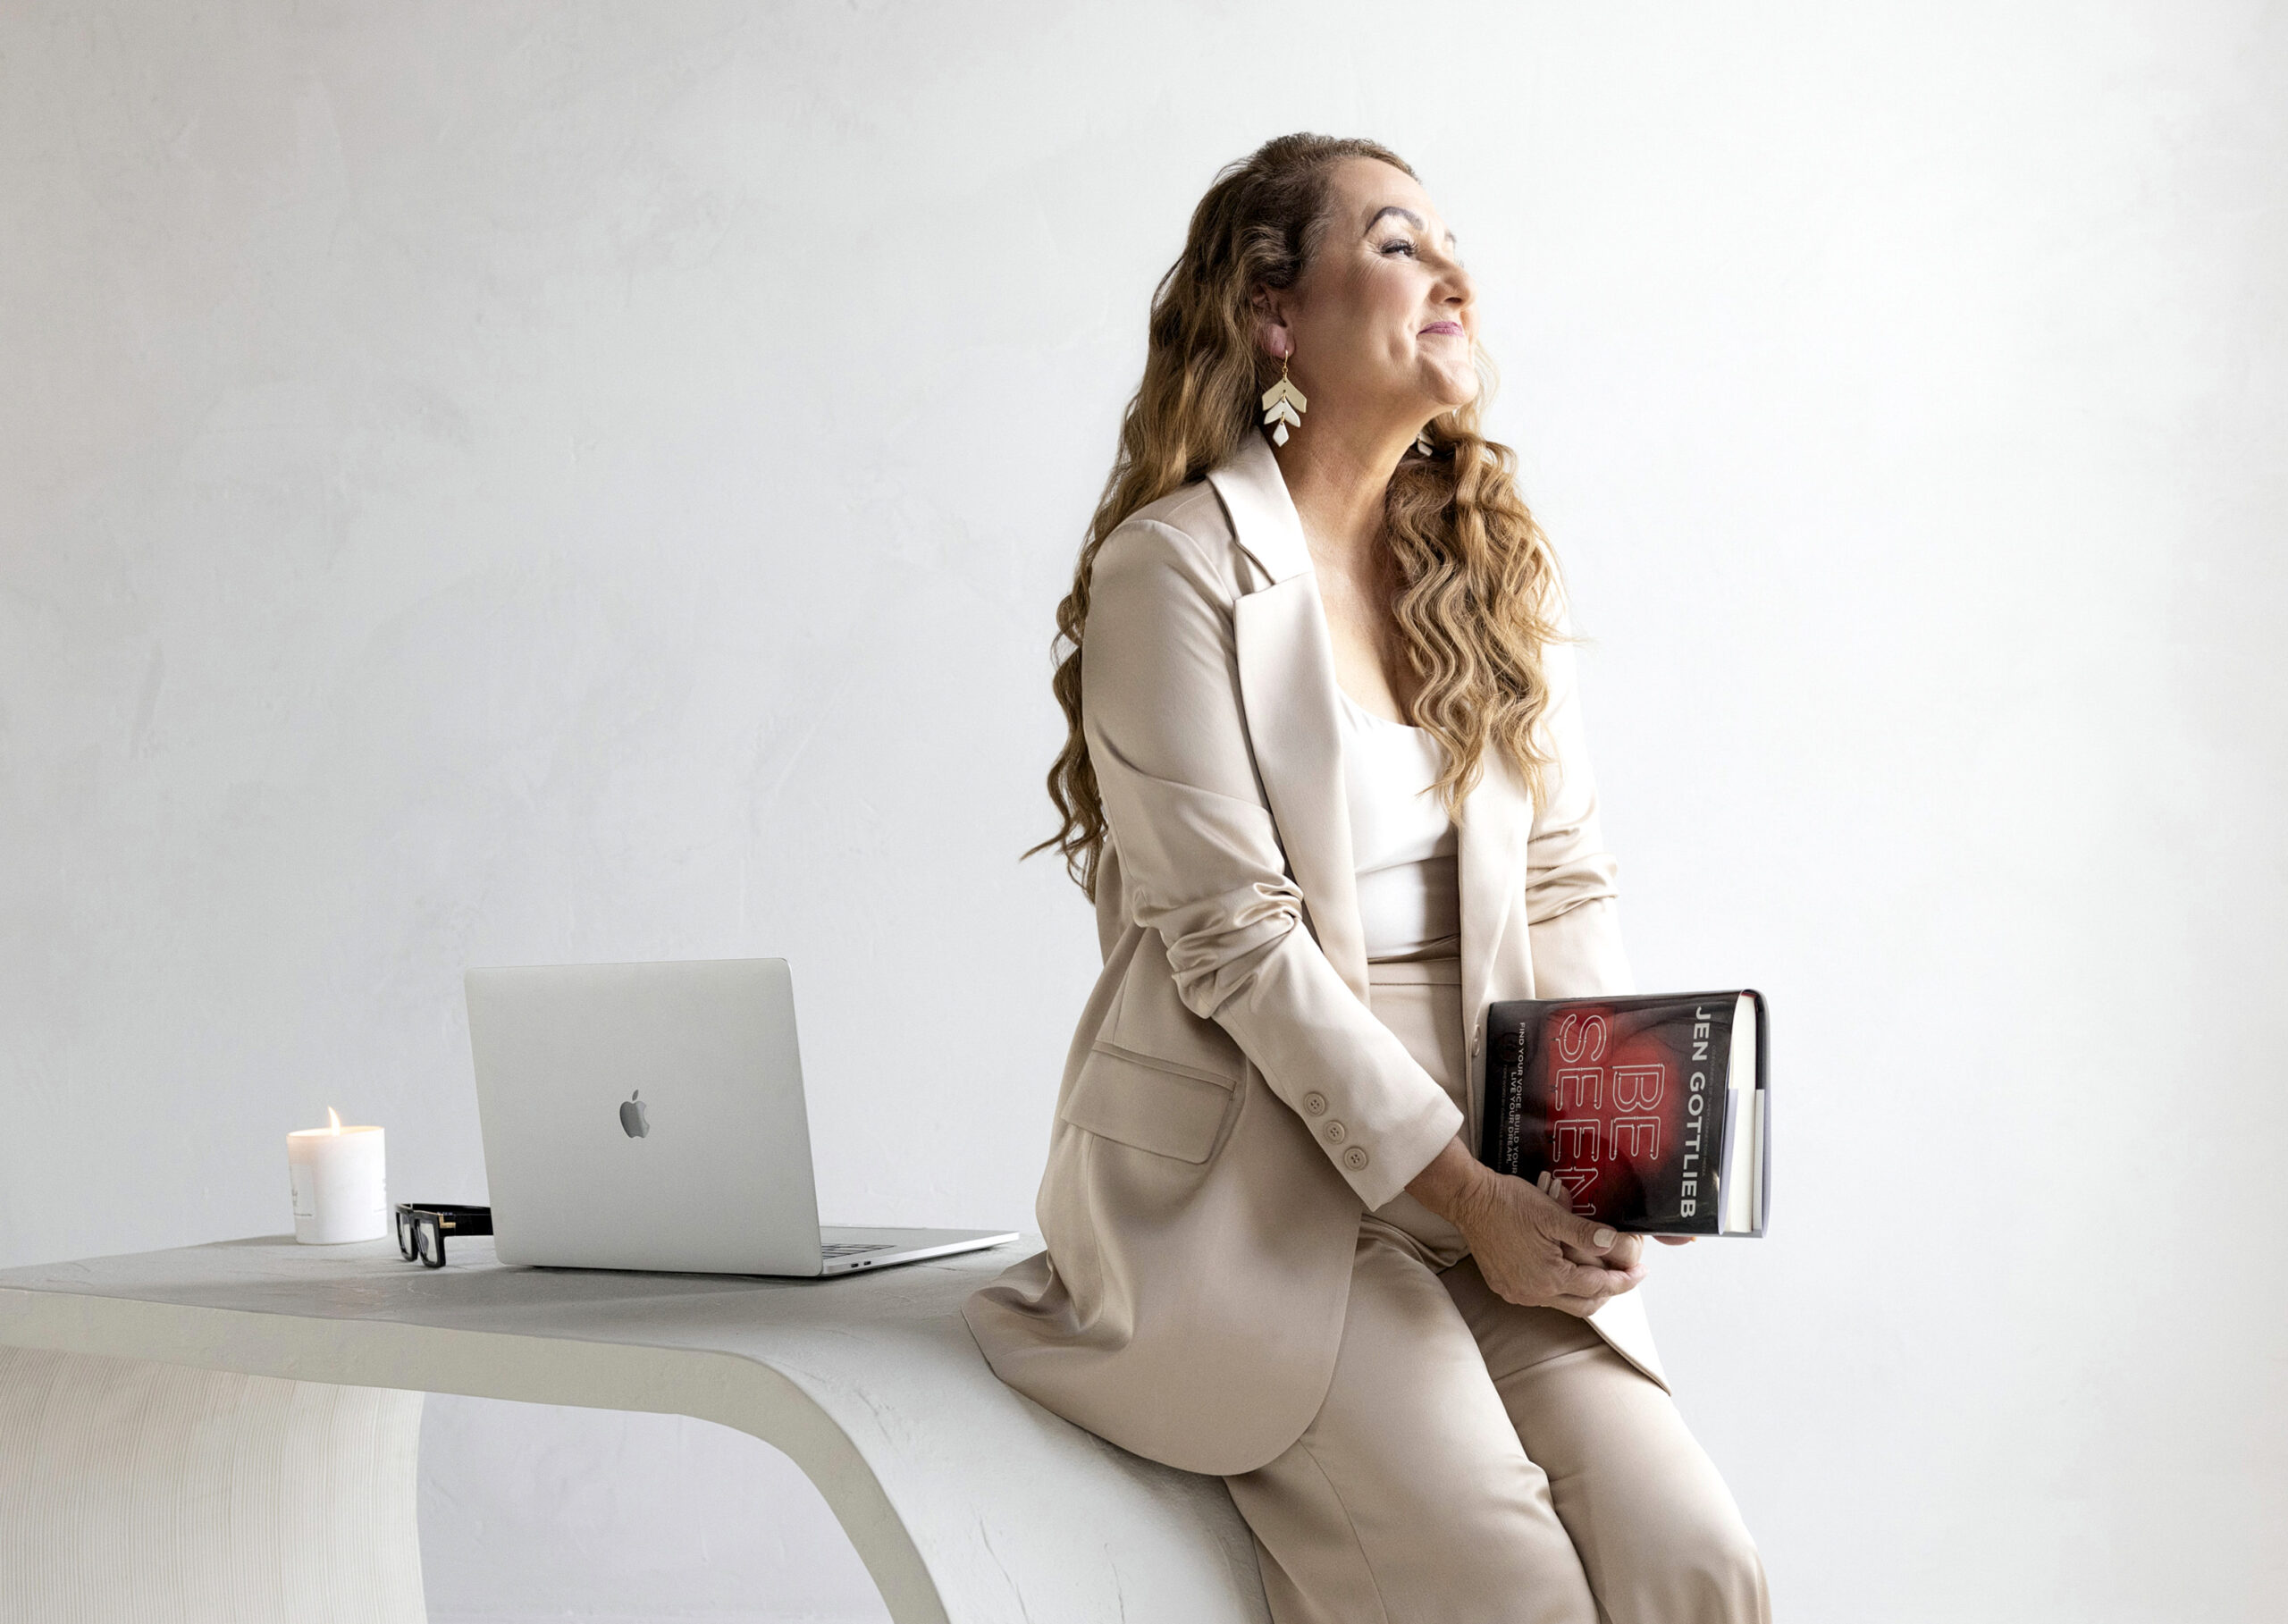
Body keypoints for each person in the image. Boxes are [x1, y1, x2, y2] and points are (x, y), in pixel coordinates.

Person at [964, 132, 1769, 1624]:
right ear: (1276, 315)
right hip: (1266, 1183)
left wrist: (1602, 1156)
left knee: (1696, 1559)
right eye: (1401, 243)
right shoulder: (1175, 570)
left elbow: (1569, 875)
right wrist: (1464, 1196)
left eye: (1454, 240)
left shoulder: (1489, 563)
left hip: (1496, 1160)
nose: (1456, 270)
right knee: (1502, 1583)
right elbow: (1240, 942)